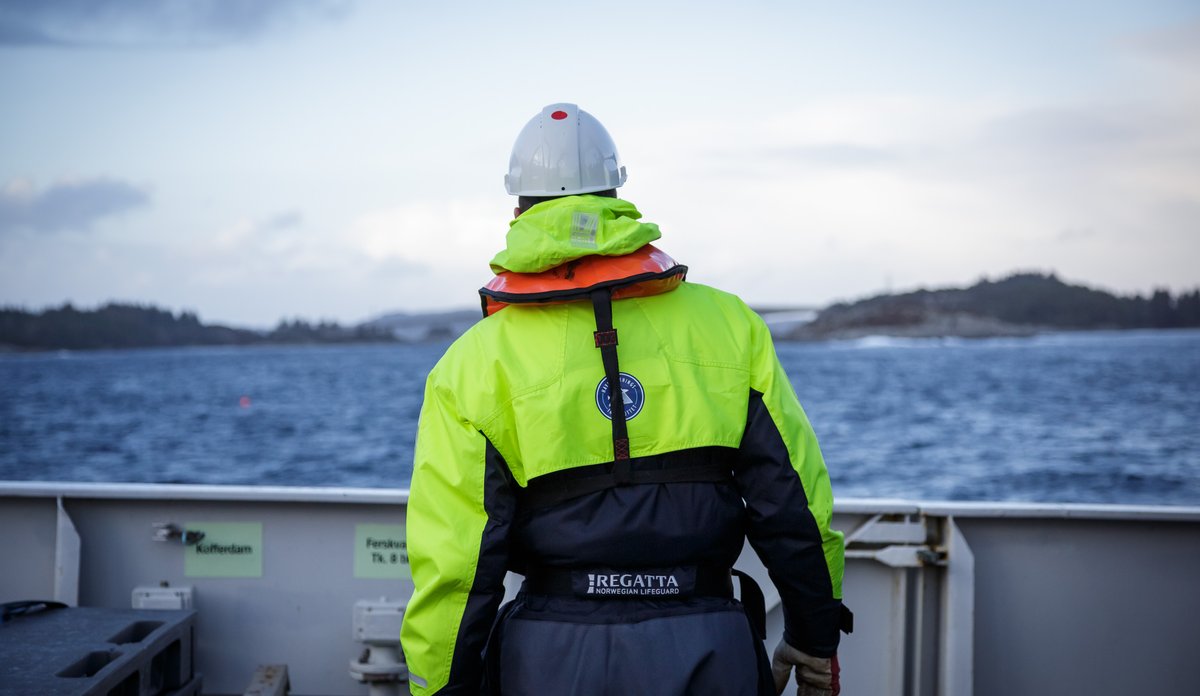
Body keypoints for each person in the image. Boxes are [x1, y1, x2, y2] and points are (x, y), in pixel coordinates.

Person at [400, 103, 850, 696]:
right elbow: (793, 503)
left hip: (548, 659)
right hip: (712, 648)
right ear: (616, 197)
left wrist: (440, 690)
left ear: (517, 211)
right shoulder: (730, 324)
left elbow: (455, 568)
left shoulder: (470, 364)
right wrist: (815, 640)